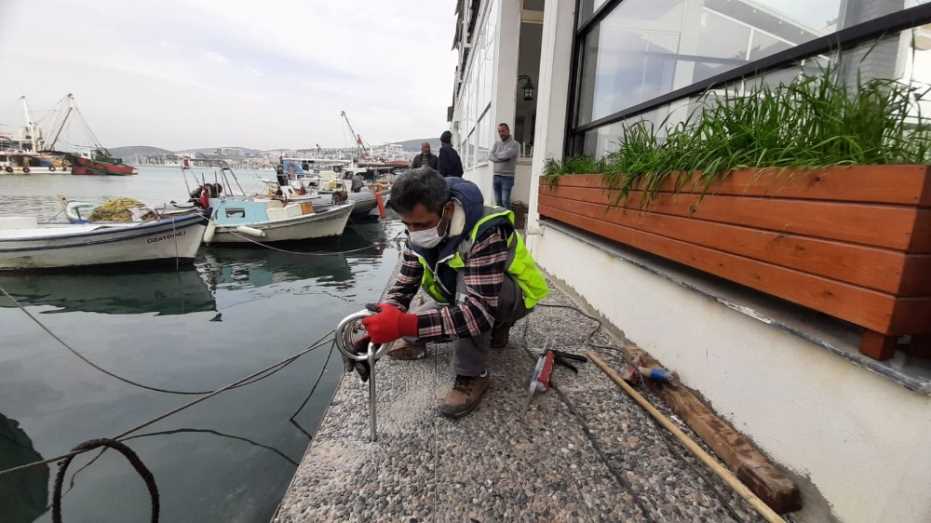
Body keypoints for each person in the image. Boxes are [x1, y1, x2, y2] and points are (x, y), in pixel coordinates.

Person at [360, 167, 549, 418]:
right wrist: (385, 315)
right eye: (407, 225)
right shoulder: (417, 231)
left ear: (447, 209)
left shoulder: (486, 230)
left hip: (510, 296)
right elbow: (405, 282)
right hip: (463, 296)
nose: (414, 232)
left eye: (421, 224)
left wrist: (404, 325)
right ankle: (495, 332)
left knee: (457, 302)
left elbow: (477, 313)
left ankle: (472, 376)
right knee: (419, 319)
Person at [488, 123, 519, 209]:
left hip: (508, 177)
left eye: (503, 131)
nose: (501, 133)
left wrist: (496, 155)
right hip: (496, 176)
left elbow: (507, 155)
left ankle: (508, 221)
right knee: (498, 202)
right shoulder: (496, 143)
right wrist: (502, 158)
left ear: (508, 131)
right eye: (499, 131)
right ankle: (500, 220)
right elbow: (490, 156)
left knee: (505, 201)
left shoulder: (515, 144)